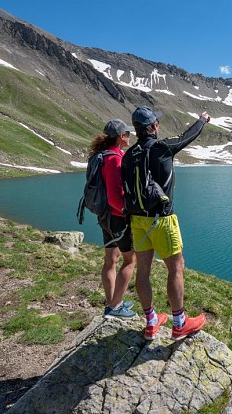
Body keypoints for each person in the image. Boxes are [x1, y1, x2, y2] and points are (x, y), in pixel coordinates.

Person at [125, 106, 211, 340]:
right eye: (156, 123)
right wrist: (202, 120)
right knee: (176, 267)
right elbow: (187, 137)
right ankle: (179, 323)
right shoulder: (162, 148)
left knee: (143, 270)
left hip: (137, 221)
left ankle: (151, 321)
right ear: (153, 127)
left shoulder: (128, 155)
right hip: (161, 220)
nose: (158, 125)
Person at [88, 119, 137, 319]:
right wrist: (129, 211)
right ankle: (115, 307)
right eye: (126, 134)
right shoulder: (114, 159)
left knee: (111, 260)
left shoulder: (100, 156)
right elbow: (115, 197)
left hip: (104, 216)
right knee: (130, 260)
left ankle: (111, 302)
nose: (129, 137)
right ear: (120, 137)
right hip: (117, 218)